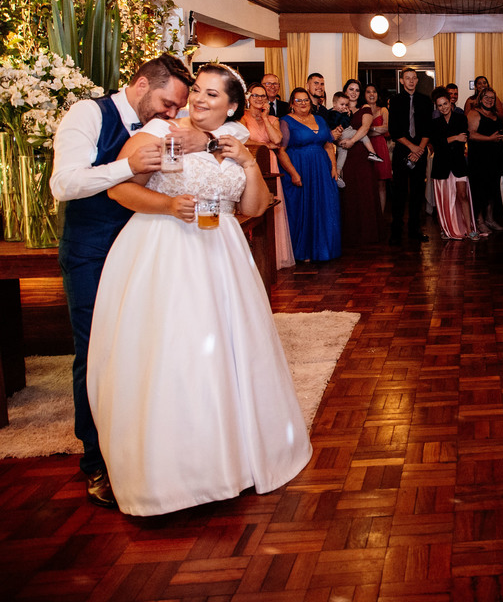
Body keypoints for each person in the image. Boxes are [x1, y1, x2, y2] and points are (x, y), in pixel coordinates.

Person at [85, 64, 311, 516]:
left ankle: (233, 459)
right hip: (165, 249)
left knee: (228, 353)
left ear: (232, 105)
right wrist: (169, 205)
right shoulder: (160, 131)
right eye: (197, 92)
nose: (200, 100)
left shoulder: (237, 140)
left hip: (222, 254)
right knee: (173, 353)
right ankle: (172, 475)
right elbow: (120, 192)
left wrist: (246, 162)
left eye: (212, 94)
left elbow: (254, 207)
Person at [50, 54, 196, 508]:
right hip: (92, 251)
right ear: (141, 84)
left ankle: (144, 452)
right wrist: (127, 166)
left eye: (178, 107)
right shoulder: (88, 114)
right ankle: (97, 462)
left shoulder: (163, 125)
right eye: (168, 104)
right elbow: (64, 184)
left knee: (145, 350)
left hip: (145, 251)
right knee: (97, 351)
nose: (172, 113)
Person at [278, 88, 342, 261]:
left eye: (305, 100)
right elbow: (281, 151)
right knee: (303, 209)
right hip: (300, 168)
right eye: (298, 100)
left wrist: (333, 167)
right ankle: (304, 251)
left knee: (325, 206)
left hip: (322, 170)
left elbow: (328, 145)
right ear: (292, 104)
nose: (303, 103)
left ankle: (324, 248)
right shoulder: (286, 121)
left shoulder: (320, 119)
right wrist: (293, 173)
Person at [241, 82, 296, 271]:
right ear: (248, 98)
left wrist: (264, 117)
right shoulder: (242, 117)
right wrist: (265, 146)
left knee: (272, 205)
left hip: (270, 163)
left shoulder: (272, 119)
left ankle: (274, 254)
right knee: (252, 204)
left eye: (262, 96)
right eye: (255, 95)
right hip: (251, 161)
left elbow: (277, 139)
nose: (259, 99)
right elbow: (243, 140)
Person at [388, 67, 433, 244]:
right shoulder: (395, 100)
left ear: (417, 80)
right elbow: (394, 130)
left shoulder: (425, 100)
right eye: (407, 78)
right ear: (402, 81)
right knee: (399, 192)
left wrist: (419, 149)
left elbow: (428, 128)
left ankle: (415, 229)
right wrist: (412, 148)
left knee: (417, 192)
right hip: (402, 149)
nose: (411, 81)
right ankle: (396, 231)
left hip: (420, 150)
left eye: (414, 78)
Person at [337, 90, 386, 248]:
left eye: (357, 90)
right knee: (349, 192)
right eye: (351, 89)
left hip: (361, 155)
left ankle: (368, 232)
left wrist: (351, 141)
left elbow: (365, 129)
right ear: (345, 91)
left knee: (365, 192)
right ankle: (350, 234)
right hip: (346, 154)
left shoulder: (364, 108)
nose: (354, 92)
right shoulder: (339, 109)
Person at [430, 87, 479, 240]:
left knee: (462, 195)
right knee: (444, 199)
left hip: (458, 163)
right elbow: (436, 144)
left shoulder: (461, 119)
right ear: (437, 107)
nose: (443, 107)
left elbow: (463, 138)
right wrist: (454, 138)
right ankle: (445, 229)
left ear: (450, 102)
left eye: (445, 103)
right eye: (440, 105)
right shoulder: (434, 123)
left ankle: (470, 229)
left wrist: (448, 140)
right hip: (441, 165)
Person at [467, 87, 503, 233]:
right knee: (480, 189)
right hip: (479, 158)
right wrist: (490, 138)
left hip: (495, 157)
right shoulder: (474, 113)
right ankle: (480, 221)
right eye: (486, 97)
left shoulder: (495, 114)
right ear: (480, 98)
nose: (489, 100)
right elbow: (471, 135)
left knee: (493, 189)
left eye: (492, 98)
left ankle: (490, 218)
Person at [362, 84, 391, 211]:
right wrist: (376, 130)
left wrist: (370, 129)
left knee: (381, 184)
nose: (371, 94)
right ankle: (370, 215)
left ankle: (381, 215)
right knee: (367, 184)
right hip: (365, 147)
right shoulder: (362, 110)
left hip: (380, 147)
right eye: (368, 92)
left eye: (374, 91)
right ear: (364, 95)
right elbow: (360, 131)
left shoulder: (383, 110)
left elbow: (387, 128)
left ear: (378, 95)